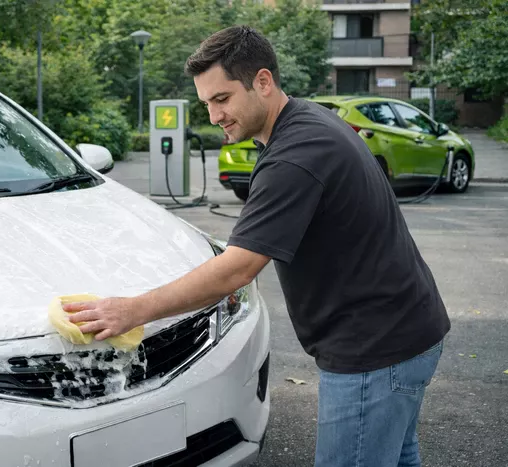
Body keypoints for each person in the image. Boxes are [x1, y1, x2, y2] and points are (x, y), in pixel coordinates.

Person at [63, 25, 450, 467]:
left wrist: (131, 310)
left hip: (375, 351)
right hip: (410, 329)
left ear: (262, 82)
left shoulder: (293, 154)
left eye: (222, 99)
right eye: (206, 102)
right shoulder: (307, 120)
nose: (213, 116)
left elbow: (237, 268)